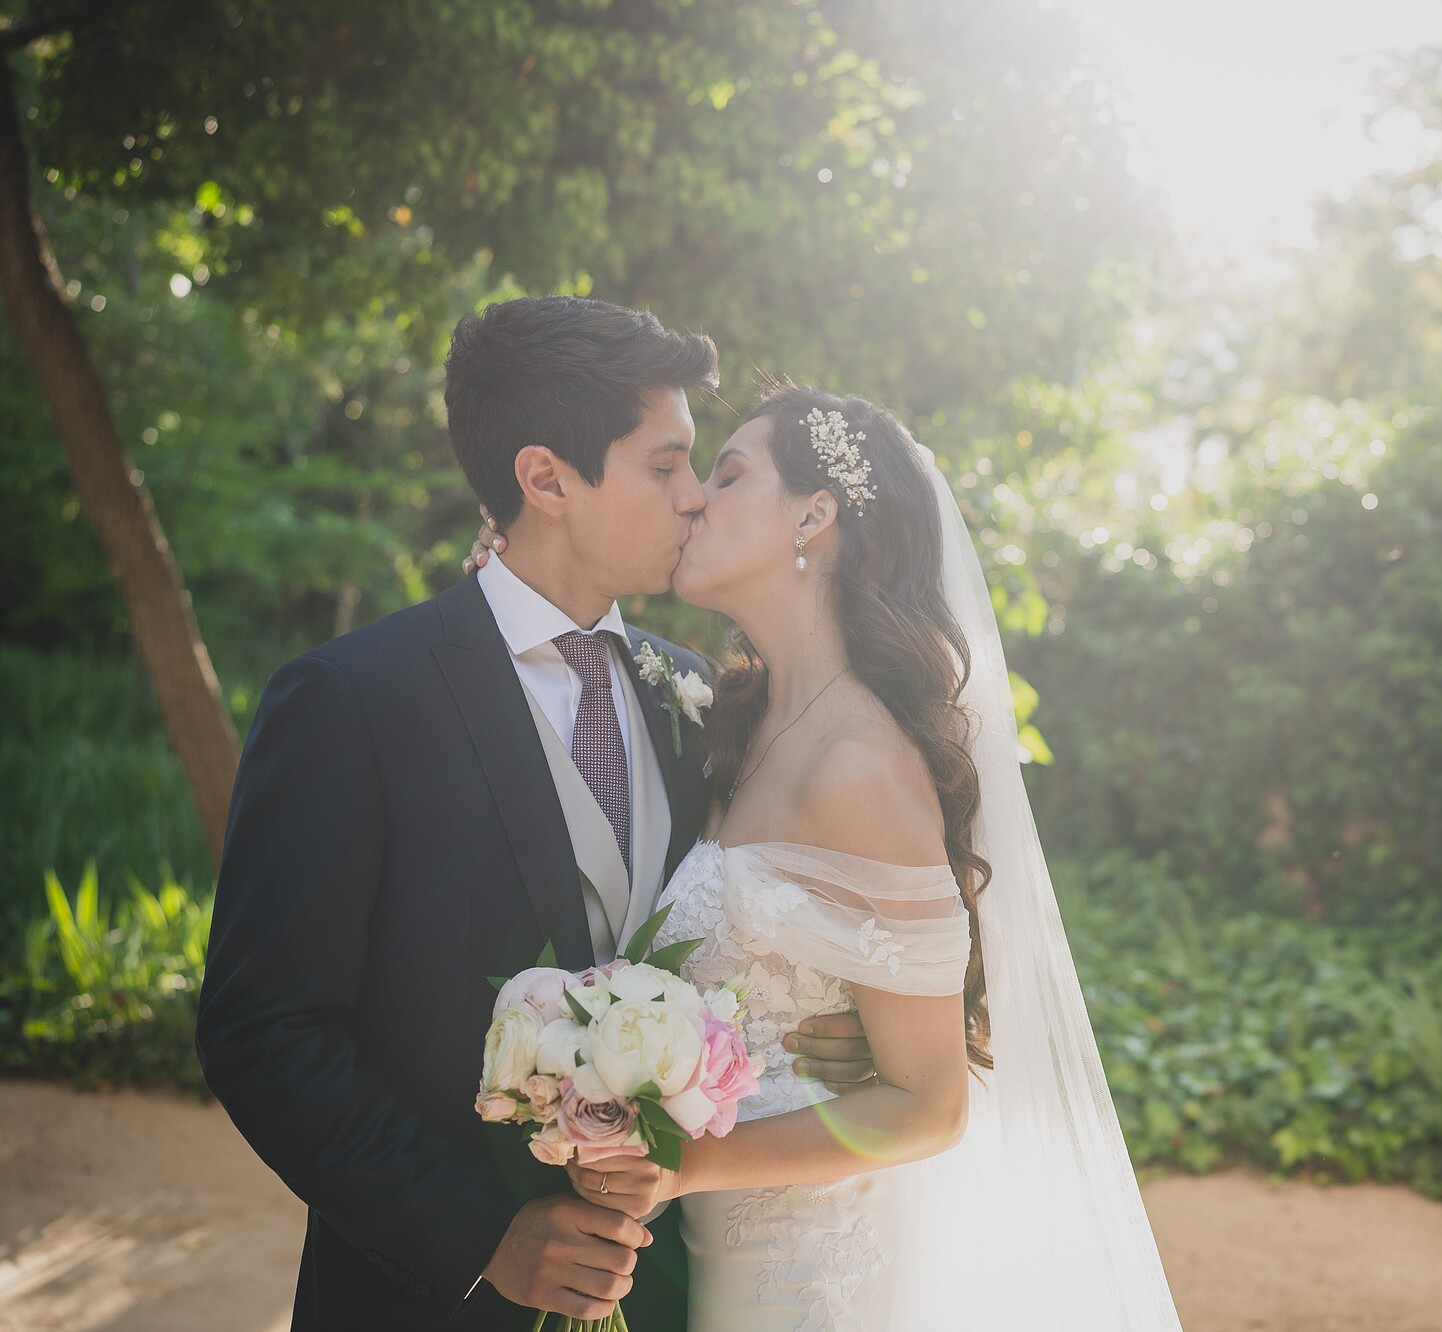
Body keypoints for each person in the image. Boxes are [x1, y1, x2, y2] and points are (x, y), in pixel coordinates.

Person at [196, 296, 878, 1332]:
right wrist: (481, 1241)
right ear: (545, 477)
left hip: (665, 1290)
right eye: (664, 465)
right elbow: (264, 1034)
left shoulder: (702, 699)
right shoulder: (350, 701)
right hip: (425, 1299)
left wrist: (838, 1028)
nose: (695, 498)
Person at [468, 383, 1183, 1330]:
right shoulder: (726, 723)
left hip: (816, 1278)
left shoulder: (859, 765)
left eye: (725, 475)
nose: (692, 499)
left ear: (814, 515)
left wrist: (685, 1165)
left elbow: (930, 1105)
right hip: (718, 1265)